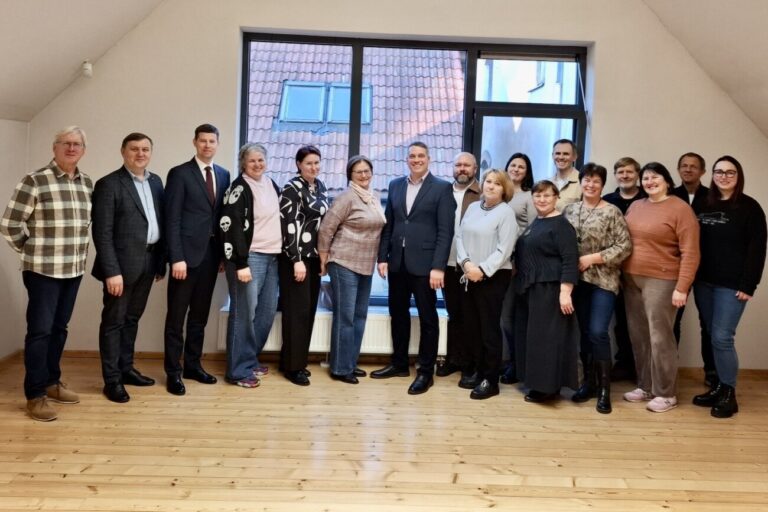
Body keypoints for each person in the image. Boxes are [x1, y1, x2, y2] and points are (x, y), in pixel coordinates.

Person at [0, 126, 92, 421]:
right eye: (66, 143)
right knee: (40, 331)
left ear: (83, 150)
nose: (71, 148)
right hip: (42, 271)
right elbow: (9, 223)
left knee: (59, 328)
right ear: (55, 148)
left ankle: (52, 382)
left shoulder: (86, 183)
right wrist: (30, 250)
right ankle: (35, 394)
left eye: (77, 144)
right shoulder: (35, 180)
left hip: (73, 269)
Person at [372, 142, 456, 395]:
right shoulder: (395, 185)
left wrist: (438, 267)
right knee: (398, 314)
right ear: (407, 159)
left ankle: (426, 372)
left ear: (429, 159)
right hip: (397, 263)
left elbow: (445, 231)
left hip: (426, 266)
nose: (416, 160)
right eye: (412, 156)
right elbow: (389, 224)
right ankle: (399, 364)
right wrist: (383, 257)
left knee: (428, 318)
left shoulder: (442, 188)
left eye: (421, 156)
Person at [91, 132, 165, 403]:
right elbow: (102, 233)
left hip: (149, 262)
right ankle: (111, 381)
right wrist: (111, 272)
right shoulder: (109, 184)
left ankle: (126, 369)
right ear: (123, 152)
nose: (140, 154)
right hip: (120, 268)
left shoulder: (156, 182)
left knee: (132, 319)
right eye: (134, 149)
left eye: (145, 149)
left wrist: (160, 263)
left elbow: (159, 222)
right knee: (114, 322)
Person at [692, 156, 766, 418]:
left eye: (730, 172)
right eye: (719, 171)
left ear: (738, 176)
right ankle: (718, 387)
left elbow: (757, 249)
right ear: (712, 175)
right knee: (711, 334)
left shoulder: (750, 207)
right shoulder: (702, 203)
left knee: (723, 337)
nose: (724, 176)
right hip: (703, 282)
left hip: (732, 285)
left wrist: (749, 284)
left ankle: (729, 393)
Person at [622, 162, 700, 413]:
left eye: (655, 177)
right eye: (645, 178)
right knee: (639, 336)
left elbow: (691, 252)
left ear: (667, 181)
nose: (650, 181)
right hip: (631, 279)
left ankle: (666, 393)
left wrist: (682, 286)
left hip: (662, 280)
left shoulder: (680, 209)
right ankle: (646, 386)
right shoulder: (636, 206)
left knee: (660, 337)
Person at [164, 123, 230, 396]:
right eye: (202, 141)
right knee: (176, 318)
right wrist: (176, 257)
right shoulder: (180, 173)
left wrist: (223, 255)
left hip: (211, 258)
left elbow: (222, 218)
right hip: (185, 258)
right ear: (195, 142)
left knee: (199, 317)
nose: (207, 145)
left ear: (217, 144)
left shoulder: (224, 175)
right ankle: (173, 373)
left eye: (212, 141)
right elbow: (172, 218)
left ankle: (193, 365)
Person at [563, 163, 632, 414]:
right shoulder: (570, 210)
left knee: (598, 332)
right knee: (584, 333)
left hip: (604, 280)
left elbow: (624, 246)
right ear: (581, 182)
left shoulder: (612, 211)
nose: (590, 185)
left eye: (596, 181)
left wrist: (592, 258)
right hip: (577, 281)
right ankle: (589, 384)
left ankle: (604, 390)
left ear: (602, 185)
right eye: (587, 180)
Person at [318, 155, 386, 384]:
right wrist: (324, 259)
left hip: (365, 263)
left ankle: (350, 362)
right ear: (351, 176)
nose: (364, 175)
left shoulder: (373, 197)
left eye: (367, 171)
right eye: (359, 172)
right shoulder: (346, 197)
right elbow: (326, 229)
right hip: (343, 262)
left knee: (359, 315)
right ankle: (339, 368)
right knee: (345, 317)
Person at [220, 143, 281, 388]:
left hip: (273, 257)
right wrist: (240, 263)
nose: (257, 164)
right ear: (243, 163)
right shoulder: (238, 188)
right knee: (243, 314)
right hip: (249, 258)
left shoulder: (271, 184)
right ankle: (237, 371)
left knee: (266, 312)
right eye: (252, 160)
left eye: (261, 160)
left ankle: (249, 359)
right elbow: (230, 226)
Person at [514, 180, 579, 403]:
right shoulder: (538, 221)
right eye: (538, 196)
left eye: (547, 196)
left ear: (556, 198)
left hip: (550, 288)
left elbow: (570, 259)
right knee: (534, 337)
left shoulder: (561, 225)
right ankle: (536, 382)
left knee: (546, 339)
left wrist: (565, 292)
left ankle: (547, 388)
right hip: (532, 287)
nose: (542, 200)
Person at [455, 169, 517, 399]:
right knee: (472, 326)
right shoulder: (473, 207)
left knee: (489, 329)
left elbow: (505, 248)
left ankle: (490, 380)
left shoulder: (506, 213)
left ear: (504, 189)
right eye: (488, 181)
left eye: (497, 183)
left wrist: (481, 270)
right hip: (468, 273)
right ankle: (478, 371)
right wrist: (466, 264)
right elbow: (459, 237)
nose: (491, 186)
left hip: (493, 276)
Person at [279, 145, 329, 386]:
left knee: (308, 311)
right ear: (299, 164)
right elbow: (288, 225)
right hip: (295, 258)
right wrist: (296, 259)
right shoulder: (291, 188)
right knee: (296, 313)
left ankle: (295, 361)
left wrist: (322, 258)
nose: (314, 167)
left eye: (317, 162)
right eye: (309, 163)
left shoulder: (320, 187)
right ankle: (292, 368)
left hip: (313, 257)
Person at [437, 152, 481, 382]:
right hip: (447, 263)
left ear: (475, 169)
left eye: (467, 165)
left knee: (470, 316)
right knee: (453, 313)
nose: (462, 168)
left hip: (471, 266)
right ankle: (454, 359)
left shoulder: (482, 193)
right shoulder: (443, 192)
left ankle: (471, 364)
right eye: (458, 165)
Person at [672, 152, 714, 385]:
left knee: (708, 323)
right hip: (676, 268)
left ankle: (712, 371)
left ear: (702, 171)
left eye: (693, 166)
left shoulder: (713, 197)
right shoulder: (670, 195)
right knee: (672, 321)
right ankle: (669, 368)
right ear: (679, 169)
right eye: (684, 166)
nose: (688, 169)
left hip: (708, 269)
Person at [602, 157, 646, 381]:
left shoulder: (647, 199)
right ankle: (624, 363)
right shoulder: (608, 201)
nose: (625, 175)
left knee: (642, 322)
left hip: (643, 268)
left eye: (629, 172)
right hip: (615, 269)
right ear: (615, 175)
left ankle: (643, 367)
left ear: (637, 174)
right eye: (620, 172)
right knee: (621, 320)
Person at [500, 152, 536, 385]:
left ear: (527, 172)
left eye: (521, 167)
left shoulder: (529, 196)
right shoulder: (499, 193)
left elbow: (531, 231)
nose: (515, 169)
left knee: (508, 318)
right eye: (512, 165)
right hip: (494, 264)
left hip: (515, 265)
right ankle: (499, 361)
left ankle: (515, 363)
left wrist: (516, 260)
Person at [550, 139, 581, 211]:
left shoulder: (583, 183)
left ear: (575, 157)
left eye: (566, 154)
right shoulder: (547, 183)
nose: (561, 157)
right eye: (558, 153)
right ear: (552, 156)